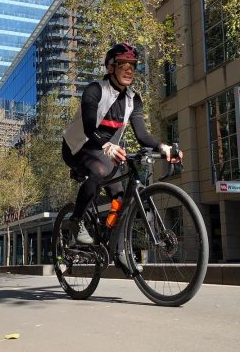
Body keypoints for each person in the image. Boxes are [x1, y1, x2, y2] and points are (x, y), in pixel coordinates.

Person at [61, 42, 182, 245]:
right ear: (110, 67)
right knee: (100, 172)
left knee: (119, 197)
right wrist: (107, 146)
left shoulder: (133, 100)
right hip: (77, 147)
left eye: (132, 65)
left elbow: (142, 135)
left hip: (103, 152)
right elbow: (89, 127)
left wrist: (164, 148)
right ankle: (76, 220)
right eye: (123, 64)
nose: (129, 70)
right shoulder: (95, 90)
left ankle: (116, 248)